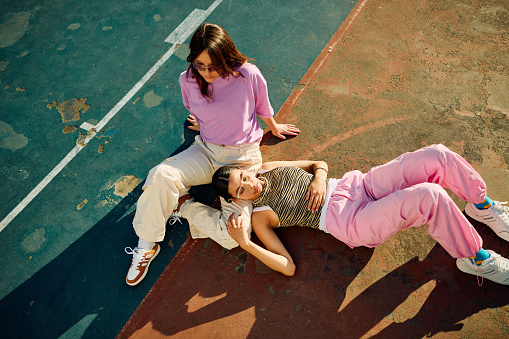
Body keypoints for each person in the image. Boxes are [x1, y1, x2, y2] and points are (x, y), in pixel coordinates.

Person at [125, 23, 300, 286]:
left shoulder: (247, 74)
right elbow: (194, 107)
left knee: (233, 236)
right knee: (161, 174)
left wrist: (273, 127)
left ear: (226, 57)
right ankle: (147, 244)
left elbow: (262, 106)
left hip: (242, 161)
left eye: (213, 66)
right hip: (206, 151)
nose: (206, 72)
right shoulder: (187, 79)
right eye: (199, 65)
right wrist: (204, 122)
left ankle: (183, 205)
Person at [212, 144, 509, 285]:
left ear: (245, 170)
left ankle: (481, 206)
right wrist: (247, 244)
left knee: (436, 155)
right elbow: (287, 267)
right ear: (235, 199)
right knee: (429, 197)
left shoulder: (268, 167)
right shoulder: (259, 216)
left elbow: (318, 163)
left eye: (244, 177)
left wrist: (318, 177)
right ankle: (474, 258)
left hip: (356, 184)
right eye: (240, 191)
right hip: (350, 222)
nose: (250, 186)